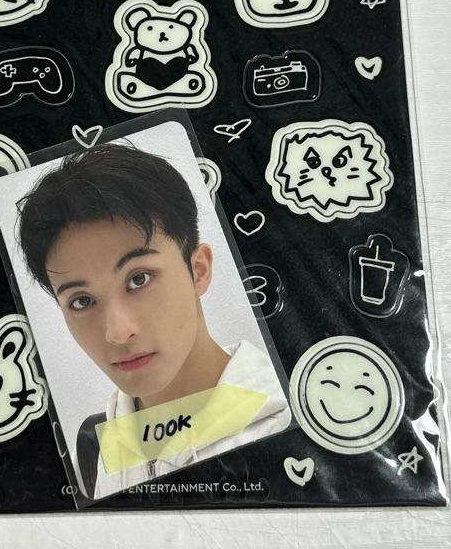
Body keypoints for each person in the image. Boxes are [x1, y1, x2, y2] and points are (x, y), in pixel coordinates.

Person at [17, 142, 291, 498]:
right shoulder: (94, 447)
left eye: (139, 279)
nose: (118, 332)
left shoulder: (289, 419)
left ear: (198, 270)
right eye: (82, 301)